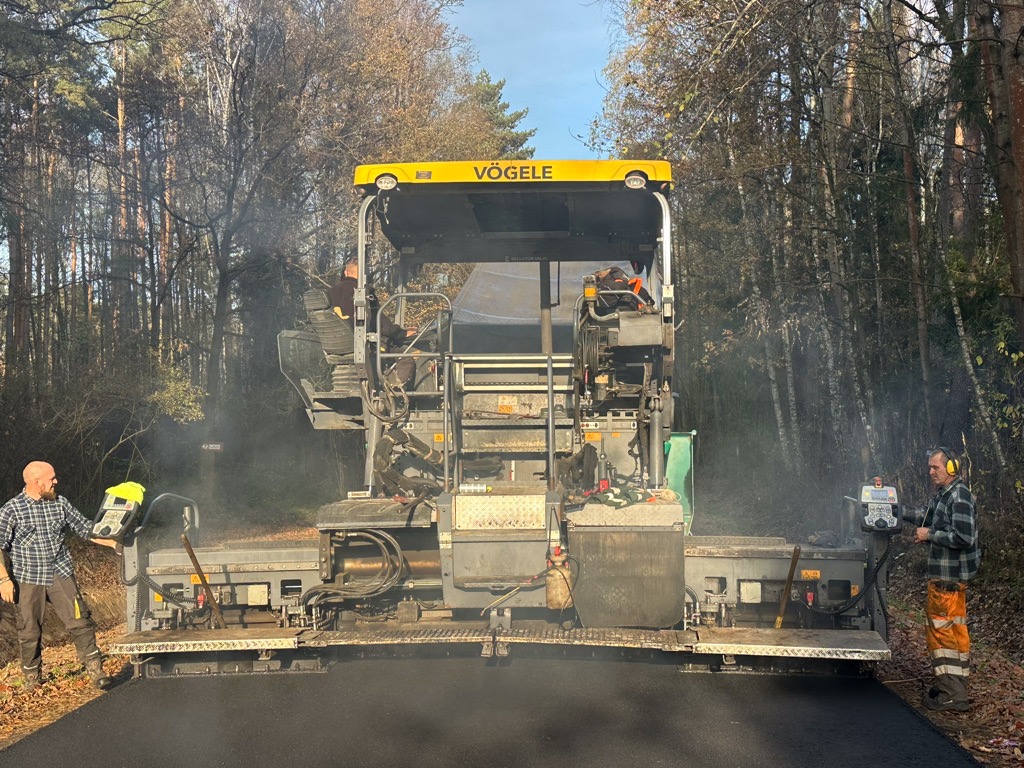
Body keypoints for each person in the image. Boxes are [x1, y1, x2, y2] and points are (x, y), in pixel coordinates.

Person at [0, 461, 118, 691]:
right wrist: (4, 580)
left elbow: (85, 528)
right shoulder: (11, 510)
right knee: (29, 630)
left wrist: (115, 543)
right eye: (51, 478)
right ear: (37, 482)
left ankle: (95, 670)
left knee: (80, 621)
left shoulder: (60, 503)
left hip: (60, 573)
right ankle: (32, 680)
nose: (56, 481)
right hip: (27, 578)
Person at [904, 447, 980, 712]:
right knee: (955, 632)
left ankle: (952, 695)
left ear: (951, 468)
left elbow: (963, 537)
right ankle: (953, 685)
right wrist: (895, 509)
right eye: (930, 467)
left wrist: (929, 535)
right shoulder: (944, 495)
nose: (930, 472)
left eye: (935, 467)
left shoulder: (959, 497)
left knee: (942, 635)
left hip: (948, 579)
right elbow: (925, 516)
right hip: (946, 579)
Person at [329, 255, 416, 388]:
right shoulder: (364, 293)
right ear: (363, 276)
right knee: (405, 357)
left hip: (334, 346)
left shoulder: (329, 293)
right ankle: (394, 392)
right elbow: (381, 324)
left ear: (345, 272)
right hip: (363, 346)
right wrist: (401, 333)